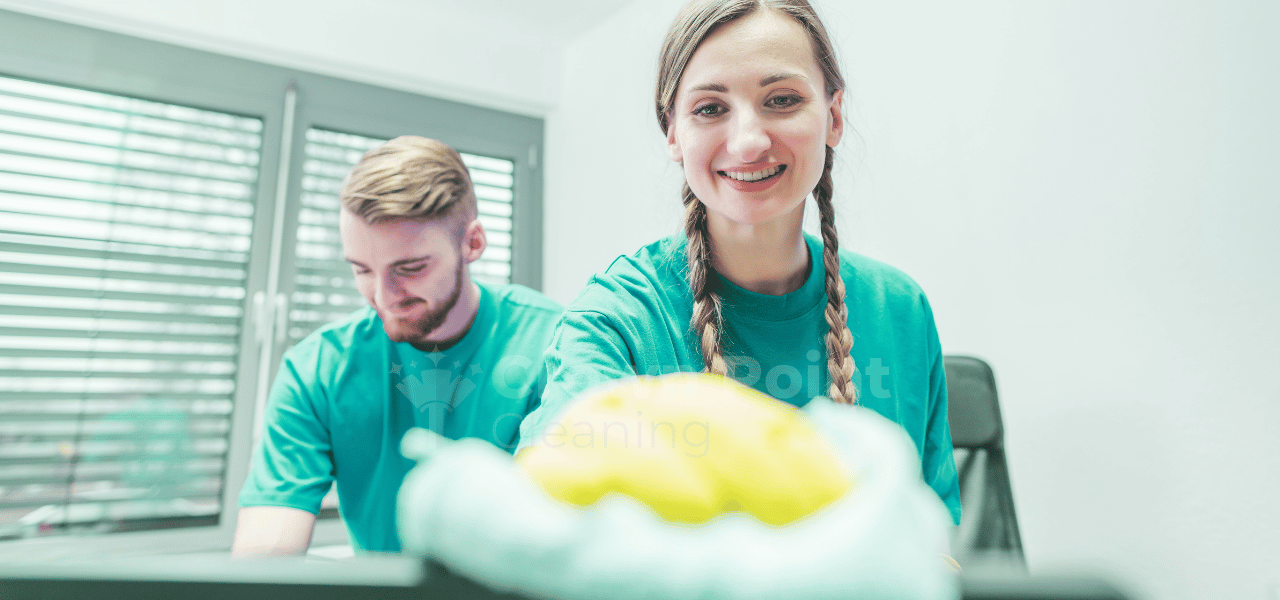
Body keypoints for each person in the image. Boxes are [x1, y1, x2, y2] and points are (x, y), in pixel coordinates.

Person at [517, 0, 961, 524]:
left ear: (834, 117)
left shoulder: (900, 310)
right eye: (710, 108)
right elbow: (548, 513)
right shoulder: (616, 321)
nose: (749, 141)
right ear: (673, 133)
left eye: (782, 99)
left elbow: (936, 541)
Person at [234, 136, 562, 555]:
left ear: (472, 243)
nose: (384, 296)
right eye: (362, 270)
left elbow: (559, 537)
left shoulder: (556, 348)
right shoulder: (317, 370)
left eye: (409, 268)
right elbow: (266, 555)